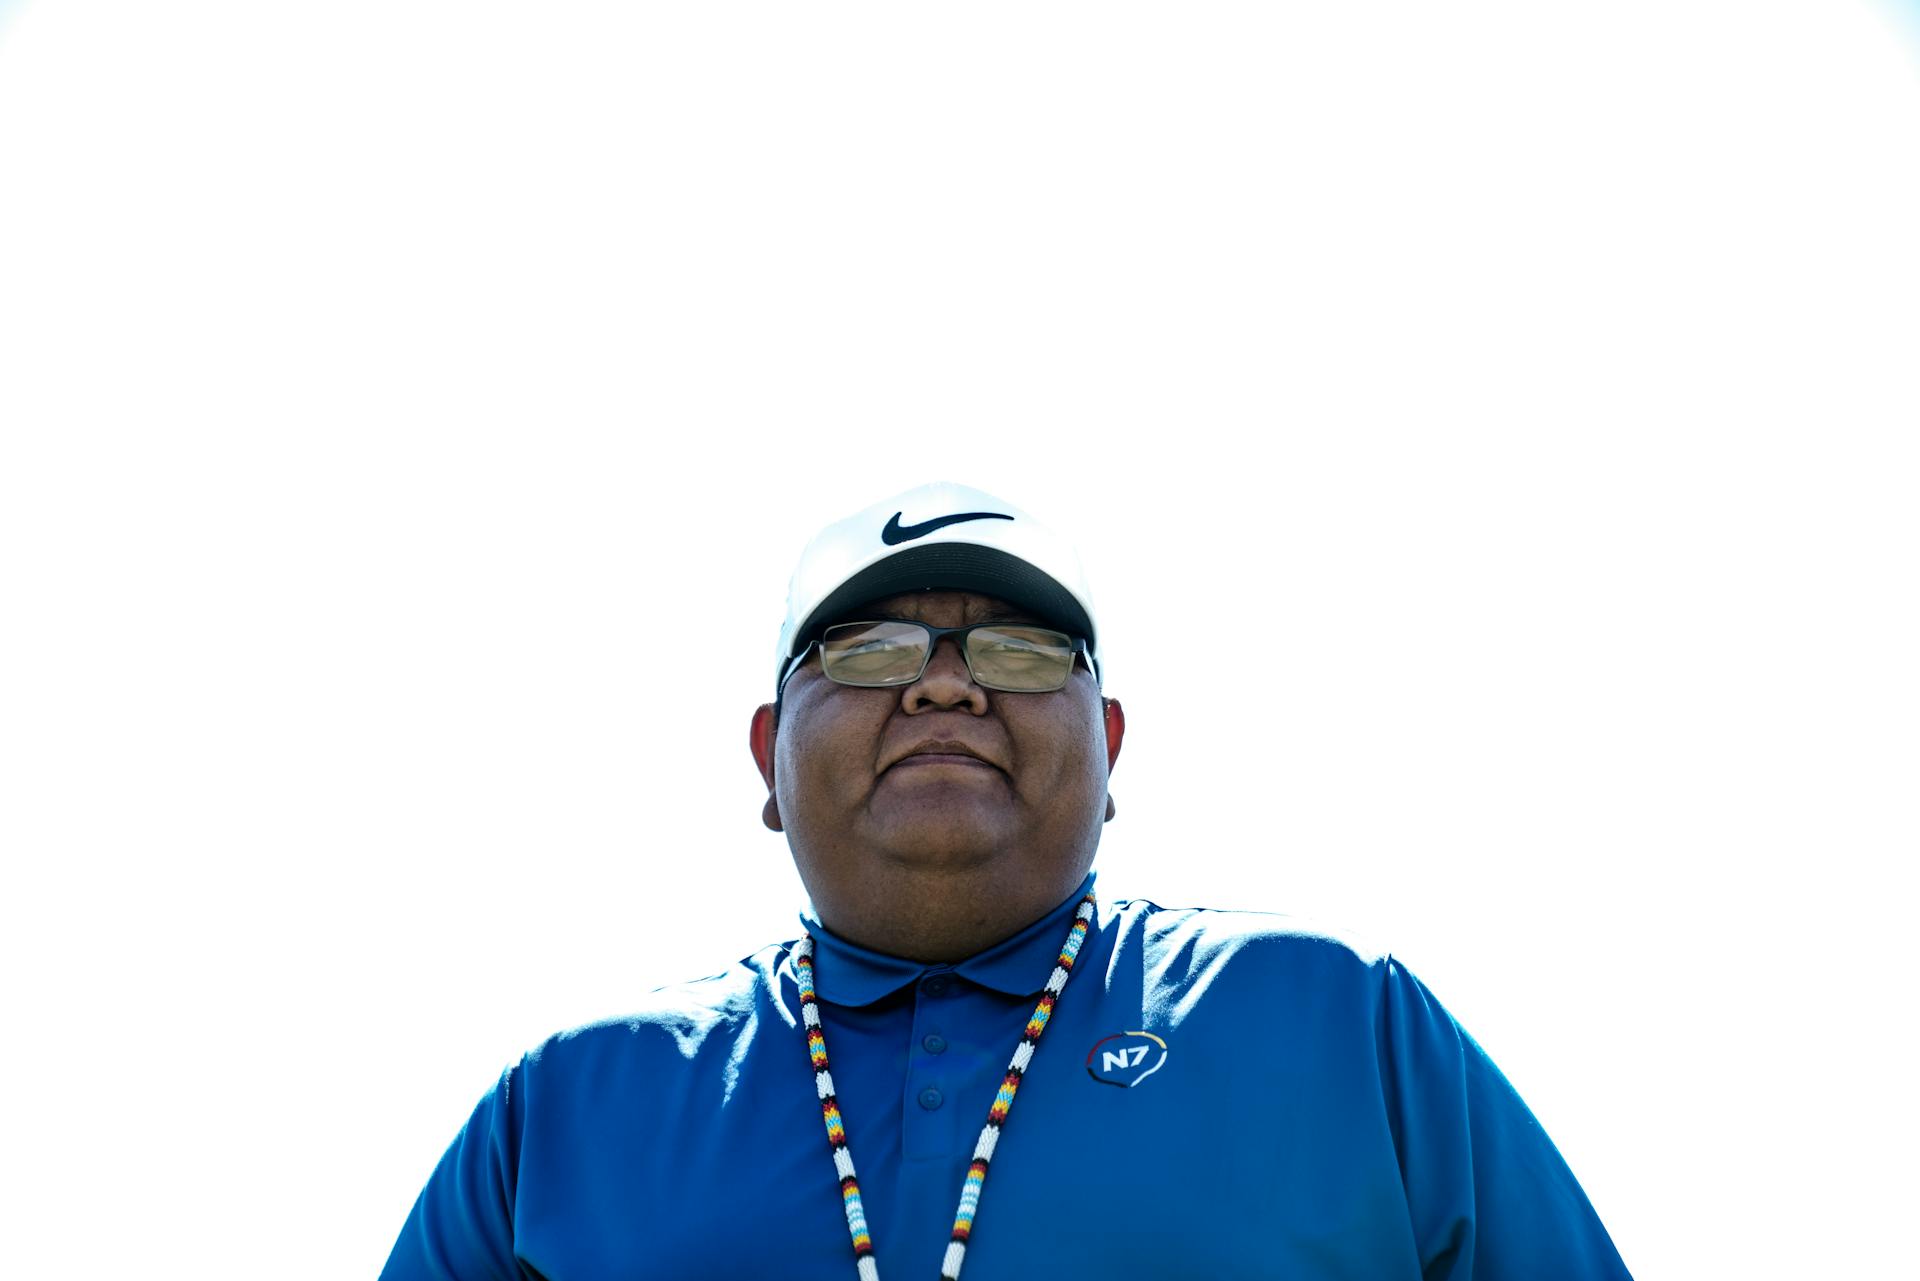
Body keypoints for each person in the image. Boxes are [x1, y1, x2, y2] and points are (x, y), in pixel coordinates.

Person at [381, 482, 1633, 1281]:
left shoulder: (1334, 1024)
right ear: (768, 760)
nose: (945, 683)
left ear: (1112, 753)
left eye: (1023, 650)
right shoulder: (571, 1111)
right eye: (867, 648)